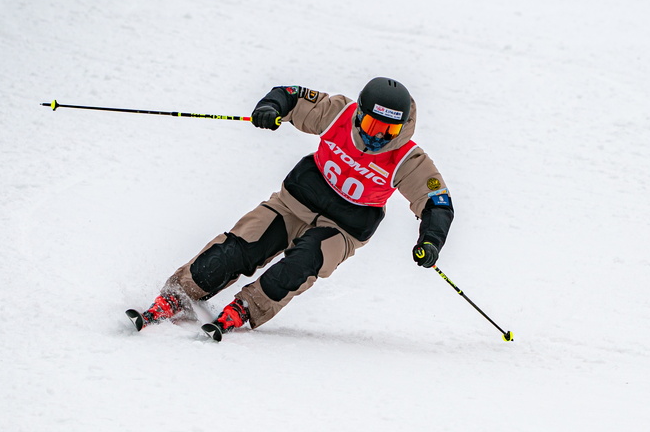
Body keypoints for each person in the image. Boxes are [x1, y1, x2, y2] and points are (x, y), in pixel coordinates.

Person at [126, 76, 454, 341]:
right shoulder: (338, 113)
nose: (379, 136)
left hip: (344, 229)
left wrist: (431, 240)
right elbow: (292, 95)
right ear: (359, 115)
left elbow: (437, 203)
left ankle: (247, 307)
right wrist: (271, 107)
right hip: (293, 203)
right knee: (240, 248)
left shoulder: (408, 159)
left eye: (390, 130)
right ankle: (178, 295)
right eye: (372, 126)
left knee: (304, 260)